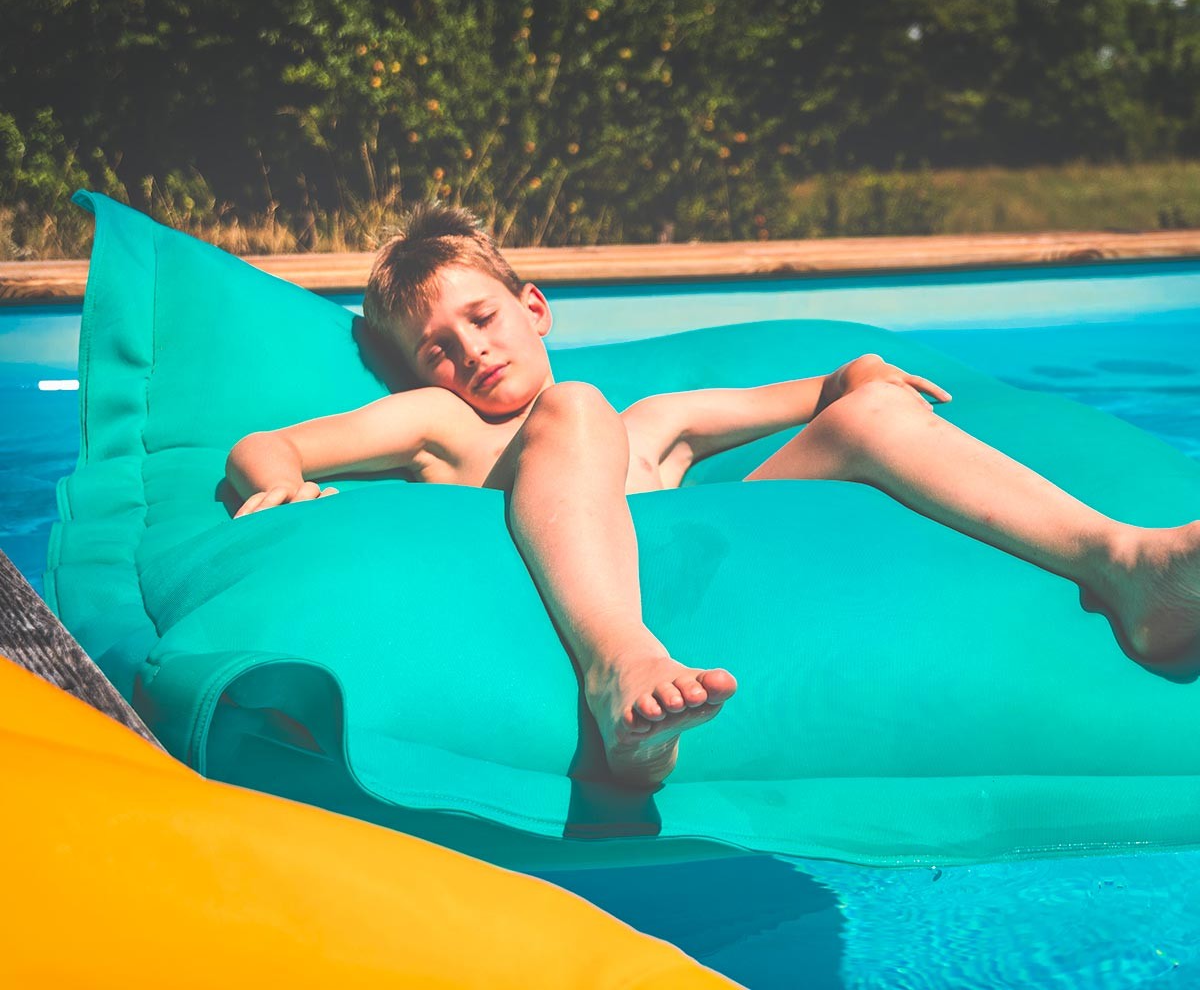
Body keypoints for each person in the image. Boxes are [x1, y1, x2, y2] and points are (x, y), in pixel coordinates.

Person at [226, 204, 1200, 788]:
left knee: (872, 420)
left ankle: (1126, 568)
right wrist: (278, 489)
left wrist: (855, 374)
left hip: (703, 583)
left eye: (482, 318)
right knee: (579, 406)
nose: (470, 349)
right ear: (417, 376)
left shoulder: (652, 422)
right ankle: (618, 677)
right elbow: (268, 447)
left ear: (533, 308)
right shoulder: (445, 428)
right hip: (612, 632)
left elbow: (820, 395)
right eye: (438, 347)